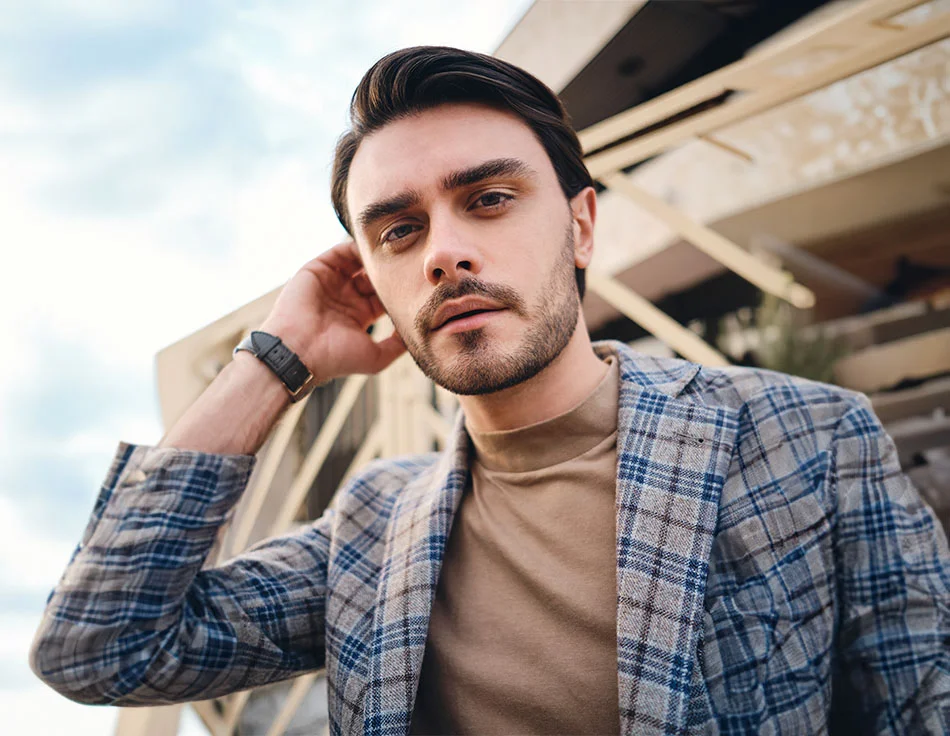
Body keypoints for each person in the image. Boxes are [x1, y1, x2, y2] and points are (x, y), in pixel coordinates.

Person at [30, 46, 949, 736]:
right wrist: (279, 356)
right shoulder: (371, 531)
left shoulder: (808, 437)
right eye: (396, 231)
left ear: (581, 226)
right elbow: (100, 647)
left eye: (490, 199)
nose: (442, 251)